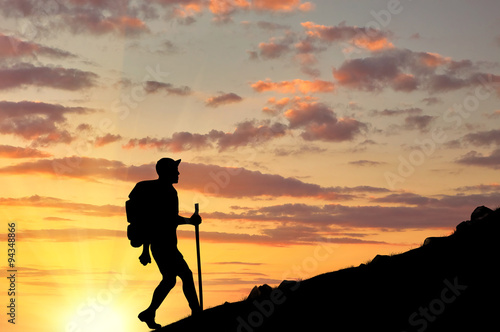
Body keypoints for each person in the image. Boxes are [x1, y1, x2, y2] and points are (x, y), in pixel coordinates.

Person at [128, 158, 202, 329]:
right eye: (175, 170)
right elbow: (168, 219)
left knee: (169, 280)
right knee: (186, 275)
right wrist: (190, 221)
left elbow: (151, 221)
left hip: (160, 245)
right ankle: (196, 312)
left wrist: (146, 250)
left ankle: (149, 312)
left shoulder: (158, 190)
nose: (178, 173)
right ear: (167, 172)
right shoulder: (168, 192)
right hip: (165, 246)